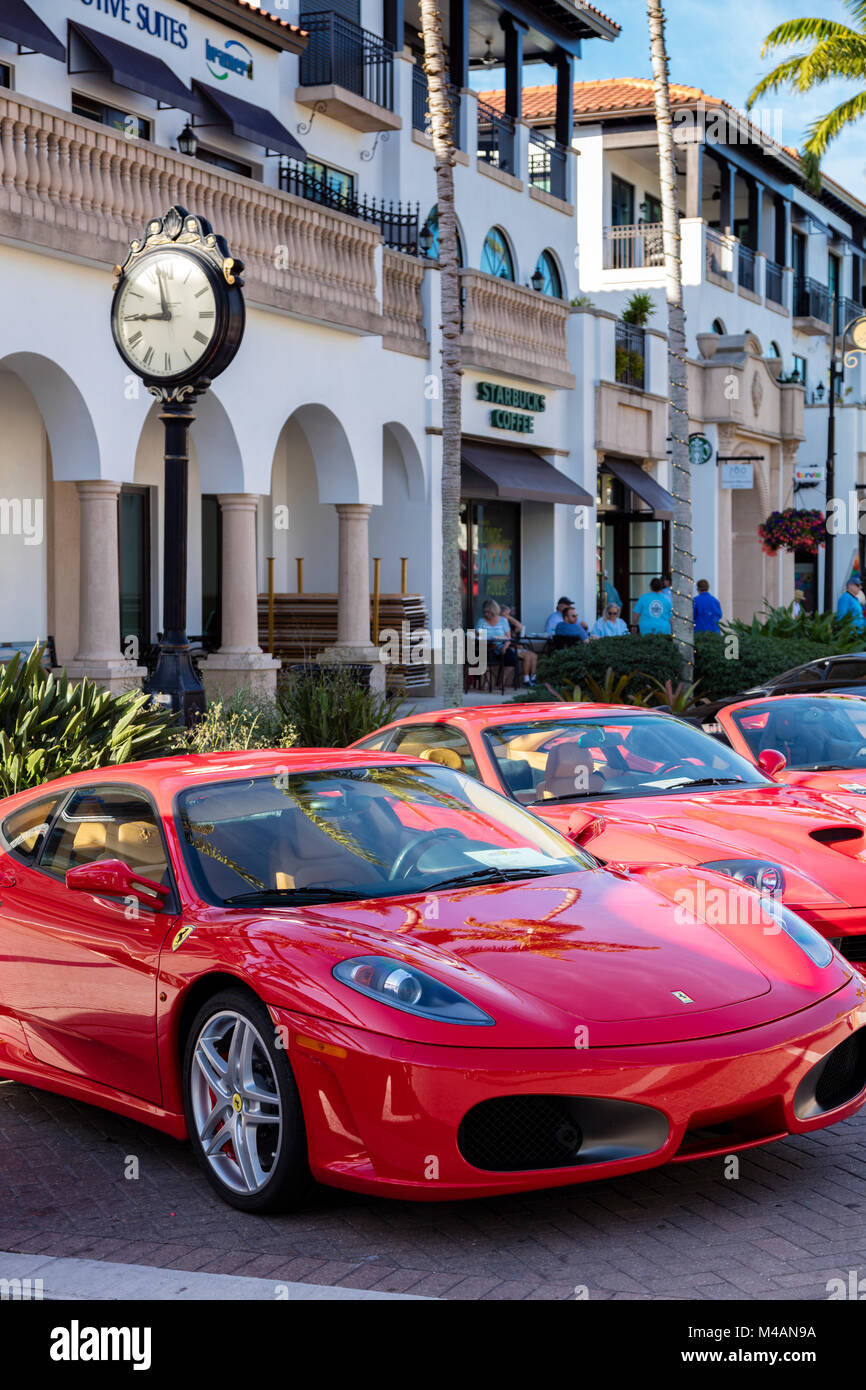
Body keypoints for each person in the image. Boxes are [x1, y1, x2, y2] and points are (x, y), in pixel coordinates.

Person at [476, 598, 538, 684]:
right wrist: (488, 644)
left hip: (502, 647)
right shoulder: (481, 621)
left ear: (493, 611)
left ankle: (502, 681)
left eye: (488, 612)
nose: (486, 614)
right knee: (484, 658)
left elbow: (508, 638)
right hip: (487, 647)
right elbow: (479, 637)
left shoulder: (503, 621)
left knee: (512, 659)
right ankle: (486, 683)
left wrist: (505, 647)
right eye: (484, 612)